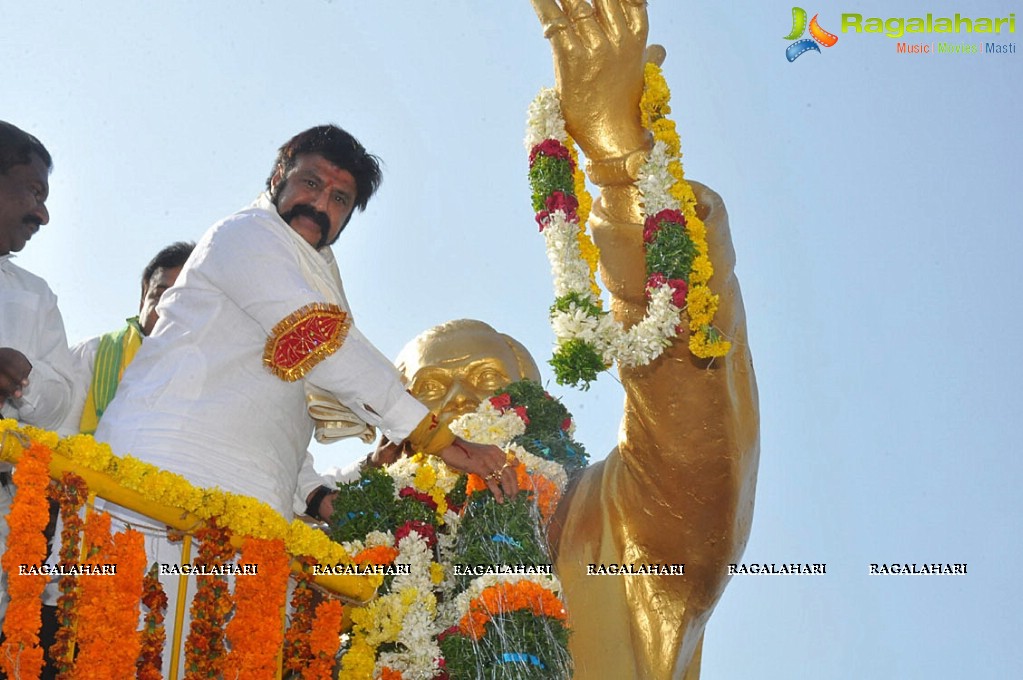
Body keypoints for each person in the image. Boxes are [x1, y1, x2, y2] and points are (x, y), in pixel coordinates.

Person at [390, 2, 760, 677]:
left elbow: (690, 407)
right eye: (430, 392)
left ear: (530, 392)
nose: (463, 400)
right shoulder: (345, 537)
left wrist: (618, 166)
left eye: (487, 380)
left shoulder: (612, 516)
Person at [94, 125, 517, 528]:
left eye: (339, 198)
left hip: (249, 501)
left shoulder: (315, 275)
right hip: (162, 475)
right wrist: (441, 441)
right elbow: (319, 341)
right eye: (311, 184)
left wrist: (315, 497)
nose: (319, 205)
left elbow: (280, 414)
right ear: (280, 175)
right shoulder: (247, 235)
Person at [0, 122, 77, 629]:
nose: (42, 214)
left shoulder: (34, 294)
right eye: (34, 190)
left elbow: (64, 402)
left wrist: (23, 380)